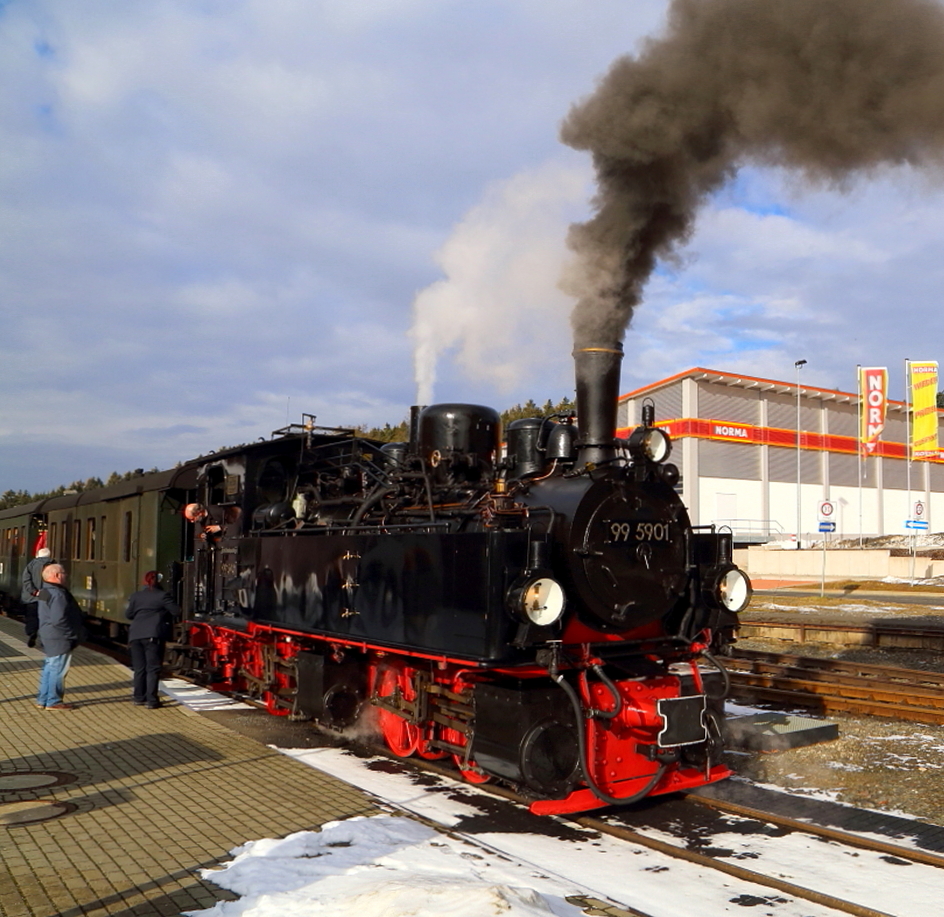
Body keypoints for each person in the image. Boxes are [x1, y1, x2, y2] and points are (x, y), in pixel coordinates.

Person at [124, 571, 180, 709]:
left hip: (135, 635)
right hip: (153, 636)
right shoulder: (163, 596)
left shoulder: (136, 596)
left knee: (139, 669)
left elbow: (128, 614)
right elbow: (176, 611)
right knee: (153, 669)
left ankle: (138, 697)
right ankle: (152, 700)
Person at [35, 564, 84, 710]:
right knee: (58, 670)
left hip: (47, 633)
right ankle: (54, 701)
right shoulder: (58, 594)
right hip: (59, 637)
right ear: (56, 575)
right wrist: (71, 634)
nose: (66, 576)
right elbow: (59, 619)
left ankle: (43, 699)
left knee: (49, 668)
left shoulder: (44, 591)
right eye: (64, 573)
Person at [21, 547, 54, 648]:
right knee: (46, 618)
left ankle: (32, 632)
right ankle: (44, 639)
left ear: (38, 555)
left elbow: (26, 579)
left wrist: (34, 591)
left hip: (32, 596)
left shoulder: (31, 565)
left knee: (32, 616)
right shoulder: (53, 565)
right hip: (46, 594)